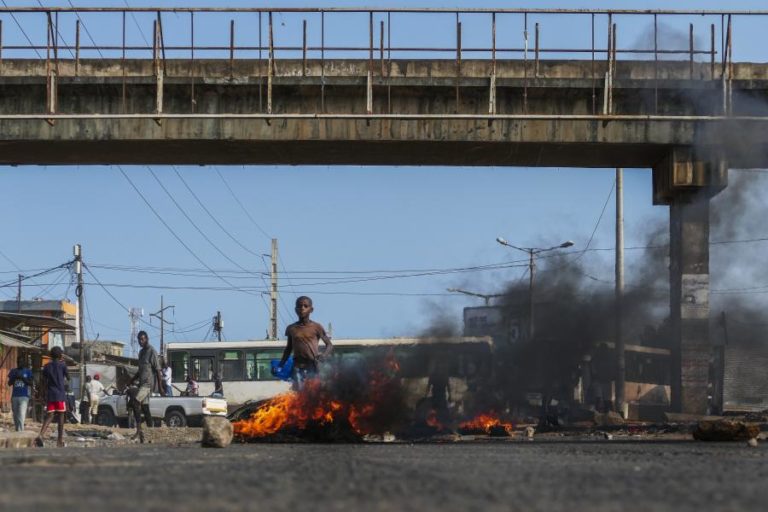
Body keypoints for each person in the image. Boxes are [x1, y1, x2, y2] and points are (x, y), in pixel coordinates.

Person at [277, 296, 333, 390]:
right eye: (299, 306)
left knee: (313, 391)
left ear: (311, 309)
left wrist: (324, 355)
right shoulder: (291, 328)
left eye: (305, 306)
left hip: (312, 366)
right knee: (299, 391)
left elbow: (329, 345)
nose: (302, 308)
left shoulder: (316, 327)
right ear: (295, 309)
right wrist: (281, 364)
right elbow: (288, 348)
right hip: (297, 366)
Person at [127, 331, 164, 443]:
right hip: (142, 383)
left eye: (142, 339)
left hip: (148, 384)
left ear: (147, 338)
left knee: (135, 402)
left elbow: (158, 370)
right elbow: (140, 370)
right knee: (145, 408)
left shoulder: (151, 351)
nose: (140, 341)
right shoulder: (141, 352)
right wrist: (132, 380)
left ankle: (138, 431)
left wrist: (160, 387)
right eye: (139, 339)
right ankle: (151, 431)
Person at [36, 346, 69, 447]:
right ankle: (59, 441)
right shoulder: (63, 365)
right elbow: (68, 377)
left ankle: (41, 435)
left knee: (49, 416)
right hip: (60, 394)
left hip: (50, 394)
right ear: (60, 355)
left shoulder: (47, 366)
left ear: (51, 355)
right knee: (61, 417)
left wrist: (41, 395)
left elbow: (43, 381)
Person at [7, 356, 33, 432]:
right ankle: (17, 430)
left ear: (24, 363)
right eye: (18, 362)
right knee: (15, 415)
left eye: (21, 362)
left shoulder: (28, 371)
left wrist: (23, 378)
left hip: (24, 397)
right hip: (14, 396)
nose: (19, 363)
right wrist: (15, 377)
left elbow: (31, 383)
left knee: (21, 414)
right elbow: (9, 383)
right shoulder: (13, 371)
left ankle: (20, 431)